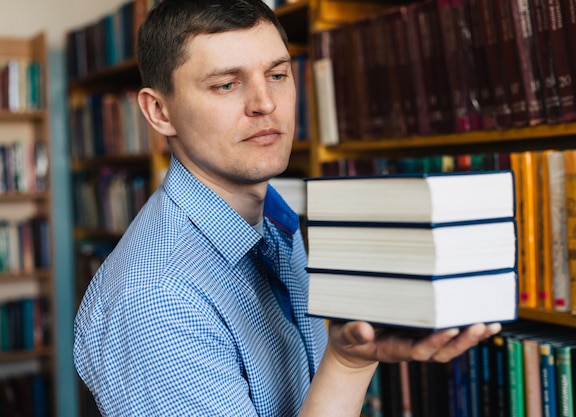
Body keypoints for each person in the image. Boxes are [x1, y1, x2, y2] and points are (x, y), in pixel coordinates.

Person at [73, 0, 502, 415]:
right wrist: (347, 364)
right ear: (160, 111)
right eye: (226, 83)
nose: (266, 103)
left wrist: (355, 356)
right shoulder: (155, 300)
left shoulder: (276, 223)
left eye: (277, 74)